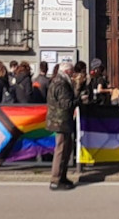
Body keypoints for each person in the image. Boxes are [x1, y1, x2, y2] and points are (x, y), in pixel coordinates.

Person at [46, 62, 77, 190]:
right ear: (67, 71)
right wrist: (79, 99)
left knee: (66, 149)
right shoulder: (61, 83)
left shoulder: (57, 81)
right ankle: (55, 179)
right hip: (60, 120)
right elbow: (66, 104)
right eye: (72, 71)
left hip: (60, 120)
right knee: (61, 150)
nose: (73, 73)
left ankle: (62, 176)